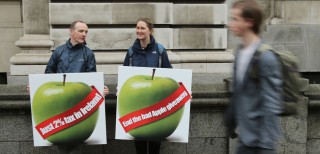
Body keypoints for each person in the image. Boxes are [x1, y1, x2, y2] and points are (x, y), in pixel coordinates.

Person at [225, 0, 283, 154]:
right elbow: (239, 93)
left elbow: (271, 102)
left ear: (249, 22)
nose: (230, 24)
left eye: (235, 19)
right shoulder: (240, 53)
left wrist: (265, 145)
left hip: (261, 143)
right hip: (245, 138)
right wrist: (231, 121)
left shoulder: (266, 57)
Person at [44, 20, 108, 154]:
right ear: (71, 31)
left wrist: (100, 90)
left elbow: (92, 78)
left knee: (77, 142)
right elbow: (48, 75)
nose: (84, 34)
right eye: (81, 31)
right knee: (60, 143)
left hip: (79, 104)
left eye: (86, 32)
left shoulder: (88, 53)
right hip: (59, 103)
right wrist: (33, 87)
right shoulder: (58, 52)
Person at [123, 18, 172, 154]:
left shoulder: (160, 50)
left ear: (150, 30)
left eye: (142, 28)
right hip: (137, 105)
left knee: (155, 146)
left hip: (157, 104)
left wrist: (184, 90)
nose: (139, 31)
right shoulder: (131, 52)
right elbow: (125, 77)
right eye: (137, 28)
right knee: (140, 146)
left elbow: (171, 75)